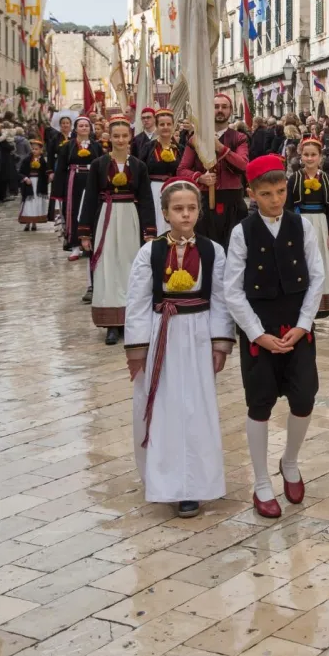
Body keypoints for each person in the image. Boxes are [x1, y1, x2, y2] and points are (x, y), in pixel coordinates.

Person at [125, 179, 235, 518]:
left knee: (198, 408)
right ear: (165, 213)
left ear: (199, 211)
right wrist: (138, 349)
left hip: (199, 334)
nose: (185, 214)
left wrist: (220, 341)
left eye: (191, 208)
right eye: (178, 208)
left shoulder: (213, 251)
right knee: (165, 406)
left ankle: (196, 485)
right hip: (163, 334)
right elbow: (138, 302)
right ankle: (166, 482)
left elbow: (221, 298)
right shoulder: (150, 252)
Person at [224, 155, 324, 518]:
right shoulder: (242, 232)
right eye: (266, 194)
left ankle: (290, 461)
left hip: (297, 327)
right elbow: (232, 290)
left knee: (304, 398)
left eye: (281, 191)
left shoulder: (301, 227)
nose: (276, 200)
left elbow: (317, 277)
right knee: (260, 403)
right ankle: (262, 481)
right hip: (260, 330)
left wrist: (304, 324)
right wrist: (256, 334)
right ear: (252, 194)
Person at [79, 117, 156, 345]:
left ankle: (129, 319)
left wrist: (149, 230)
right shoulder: (98, 164)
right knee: (108, 267)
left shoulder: (139, 166)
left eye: (124, 136)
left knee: (130, 266)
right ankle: (111, 324)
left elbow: (146, 200)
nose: (120, 140)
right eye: (116, 136)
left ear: (130, 137)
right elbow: (90, 197)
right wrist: (85, 232)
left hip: (131, 219)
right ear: (109, 138)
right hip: (106, 218)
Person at [177, 94, 249, 250]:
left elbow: (243, 166)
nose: (220, 110)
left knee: (234, 247)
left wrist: (220, 148)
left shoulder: (239, 137)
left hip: (232, 200)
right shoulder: (196, 139)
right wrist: (199, 177)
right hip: (204, 200)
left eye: (224, 107)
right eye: (216, 107)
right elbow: (182, 170)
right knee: (206, 247)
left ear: (231, 110)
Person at [286, 135, 329, 317]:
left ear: (320, 157)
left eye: (313, 155)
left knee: (321, 261)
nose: (309, 158)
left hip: (321, 224)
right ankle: (299, 299)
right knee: (300, 259)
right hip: (300, 222)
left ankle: (321, 303)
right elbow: (288, 206)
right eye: (306, 155)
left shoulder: (327, 179)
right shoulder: (294, 179)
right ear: (301, 156)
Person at [52, 115, 102, 261]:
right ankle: (74, 246)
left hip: (92, 181)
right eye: (81, 126)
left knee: (91, 210)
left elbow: (102, 165)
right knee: (73, 212)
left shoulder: (97, 146)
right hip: (74, 182)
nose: (84, 128)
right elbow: (61, 169)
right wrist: (58, 191)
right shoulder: (68, 146)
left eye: (86, 126)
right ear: (75, 129)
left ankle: (90, 245)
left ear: (90, 128)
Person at [144, 109, 183, 235]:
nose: (165, 127)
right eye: (162, 124)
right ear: (156, 126)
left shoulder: (180, 149)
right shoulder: (148, 148)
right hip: (154, 190)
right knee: (157, 220)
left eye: (168, 124)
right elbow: (142, 171)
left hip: (175, 189)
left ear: (173, 126)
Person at [18, 138, 49, 232]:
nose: (34, 151)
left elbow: (45, 172)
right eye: (33, 149)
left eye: (36, 149)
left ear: (41, 150)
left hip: (39, 185)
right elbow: (20, 172)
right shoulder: (27, 160)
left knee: (36, 203)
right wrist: (25, 178)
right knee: (29, 203)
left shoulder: (42, 161)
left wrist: (48, 178)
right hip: (29, 184)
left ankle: (34, 223)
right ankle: (27, 223)